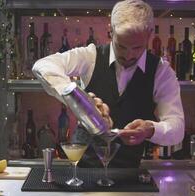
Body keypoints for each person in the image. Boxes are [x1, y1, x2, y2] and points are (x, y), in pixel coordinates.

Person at [33, 0, 184, 168]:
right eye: (121, 46)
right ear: (110, 31)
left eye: (137, 47)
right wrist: (79, 99)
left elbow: (177, 128)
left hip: (128, 174)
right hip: (82, 168)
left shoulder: (161, 72)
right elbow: (42, 66)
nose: (128, 55)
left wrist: (150, 129)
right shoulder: (90, 56)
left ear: (149, 34)